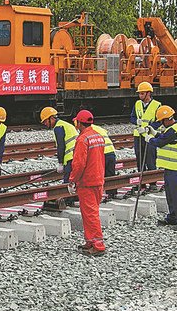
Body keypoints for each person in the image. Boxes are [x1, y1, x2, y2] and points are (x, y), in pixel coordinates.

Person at [69, 109, 107, 256]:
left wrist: (72, 180)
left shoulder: (82, 140)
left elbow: (79, 164)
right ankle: (90, 240)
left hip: (87, 182)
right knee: (90, 212)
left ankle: (98, 245)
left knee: (90, 213)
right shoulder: (98, 136)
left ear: (79, 123)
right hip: (98, 179)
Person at [150, 105, 177, 227]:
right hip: (171, 168)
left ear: (167, 119)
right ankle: (173, 217)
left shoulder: (174, 131)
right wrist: (155, 133)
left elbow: (160, 142)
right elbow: (163, 137)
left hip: (176, 169)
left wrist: (149, 138)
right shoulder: (172, 129)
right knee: (171, 194)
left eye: (162, 121)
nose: (162, 124)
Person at [40, 107, 78, 184]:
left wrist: (60, 163)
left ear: (51, 118)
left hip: (71, 159)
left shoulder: (58, 127)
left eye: (45, 121)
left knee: (68, 182)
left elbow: (61, 147)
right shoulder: (65, 125)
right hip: (77, 156)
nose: (45, 124)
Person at [132, 82, 161, 172]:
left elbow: (159, 121)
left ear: (148, 93)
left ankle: (152, 182)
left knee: (150, 159)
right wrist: (136, 121)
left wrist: (148, 128)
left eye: (142, 93)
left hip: (150, 136)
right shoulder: (137, 104)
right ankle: (142, 182)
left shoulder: (157, 105)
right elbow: (132, 117)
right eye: (139, 93)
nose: (140, 96)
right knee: (139, 159)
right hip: (138, 136)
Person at [90, 122, 118, 199]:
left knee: (99, 174)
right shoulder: (98, 128)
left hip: (103, 153)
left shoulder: (88, 130)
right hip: (111, 152)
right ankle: (112, 193)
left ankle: (98, 194)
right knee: (110, 174)